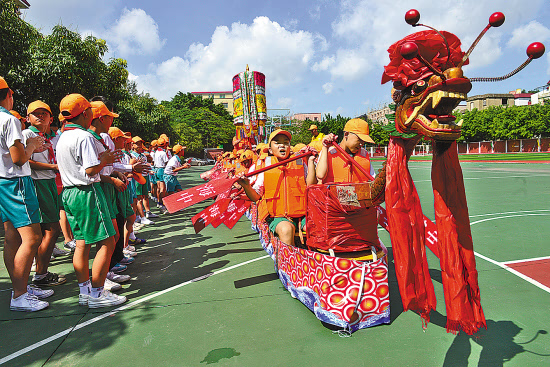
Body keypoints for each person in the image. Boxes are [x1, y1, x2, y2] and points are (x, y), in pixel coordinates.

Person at [55, 93, 126, 308]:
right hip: (87, 192)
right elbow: (90, 171)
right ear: (86, 113)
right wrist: (103, 160)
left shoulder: (62, 136)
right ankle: (97, 293)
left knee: (81, 243)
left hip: (69, 193)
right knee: (107, 241)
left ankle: (85, 291)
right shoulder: (83, 137)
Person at [0, 76, 50, 311]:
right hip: (16, 182)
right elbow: (19, 159)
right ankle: (19, 295)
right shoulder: (8, 120)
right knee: (32, 238)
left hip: (3, 183)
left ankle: (19, 288)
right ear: (9, 94)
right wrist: (33, 147)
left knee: (12, 238)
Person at [315, 118, 381, 253]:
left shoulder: (364, 155)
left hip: (359, 210)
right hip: (335, 213)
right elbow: (320, 175)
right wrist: (325, 147)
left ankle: (364, 245)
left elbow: (372, 182)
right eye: (359, 139)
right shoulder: (328, 151)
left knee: (376, 211)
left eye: (364, 141)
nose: (362, 144)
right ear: (346, 135)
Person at [237, 129, 310, 246]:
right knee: (286, 230)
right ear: (270, 149)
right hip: (278, 217)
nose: (282, 145)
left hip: (303, 215)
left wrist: (311, 160)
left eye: (286, 142)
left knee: (319, 227)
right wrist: (246, 186)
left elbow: (311, 185)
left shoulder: (301, 163)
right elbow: (256, 197)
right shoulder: (265, 166)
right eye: (277, 142)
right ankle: (287, 263)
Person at [22, 101, 67, 288]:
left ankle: (41, 272)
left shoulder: (47, 137)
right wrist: (52, 167)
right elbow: (25, 160)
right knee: (50, 229)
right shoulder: (27, 134)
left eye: (44, 113)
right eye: (36, 114)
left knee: (49, 229)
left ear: (51, 118)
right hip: (37, 182)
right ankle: (39, 273)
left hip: (49, 181)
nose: (40, 116)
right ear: (28, 118)